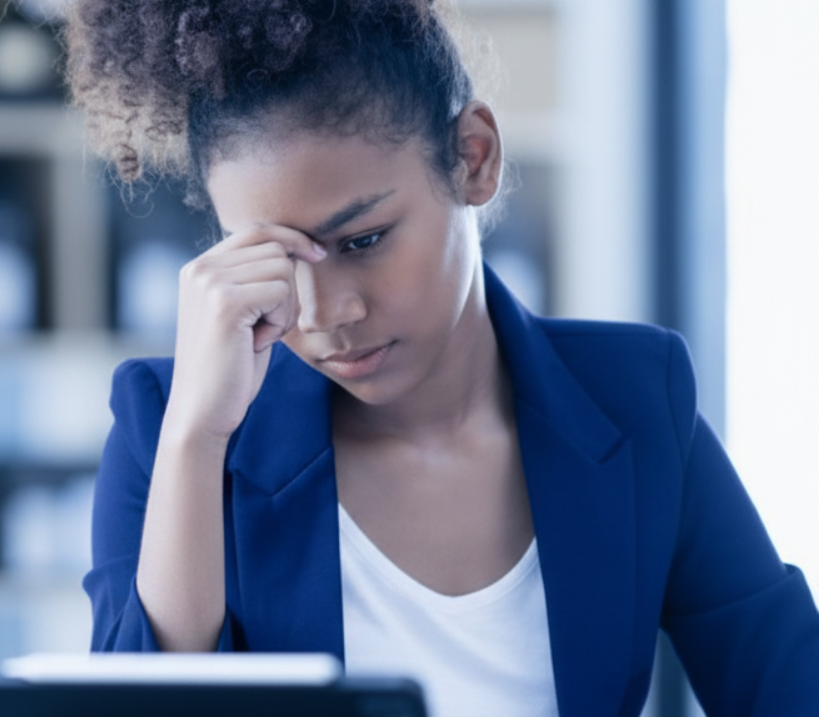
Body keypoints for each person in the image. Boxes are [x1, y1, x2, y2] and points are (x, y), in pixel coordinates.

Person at [62, 1, 819, 715]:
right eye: (276, 261)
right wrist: (197, 438)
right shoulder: (169, 429)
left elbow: (786, 680)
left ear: (474, 159)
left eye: (362, 241)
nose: (328, 314)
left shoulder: (633, 395)